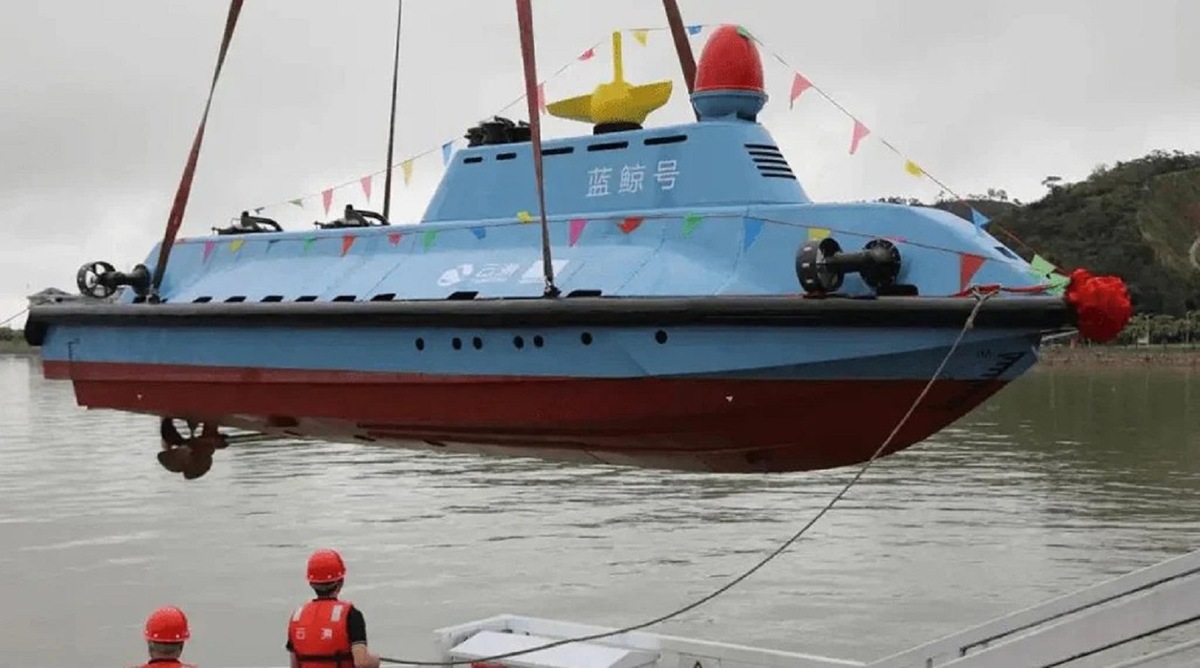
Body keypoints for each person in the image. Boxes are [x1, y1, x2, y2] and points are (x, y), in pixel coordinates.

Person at [286, 549, 381, 668]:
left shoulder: (297, 617)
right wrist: (375, 660)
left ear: (311, 583)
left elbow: (294, 665)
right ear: (341, 582)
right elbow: (362, 662)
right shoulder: (351, 615)